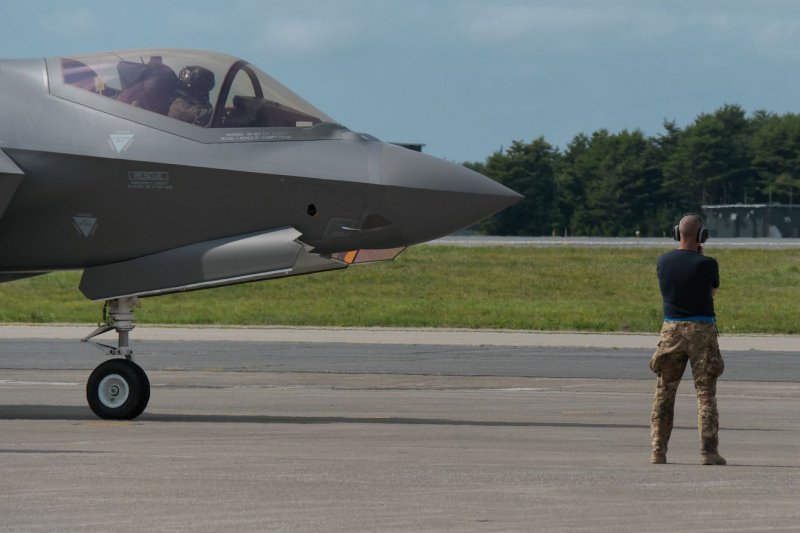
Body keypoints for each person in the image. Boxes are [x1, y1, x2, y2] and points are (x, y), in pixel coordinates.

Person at [649, 213, 726, 465]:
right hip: (701, 329)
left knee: (664, 392)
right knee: (705, 394)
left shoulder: (663, 261)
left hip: (671, 329)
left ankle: (658, 450)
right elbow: (711, 291)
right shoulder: (707, 264)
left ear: (677, 233)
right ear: (702, 235)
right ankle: (708, 451)